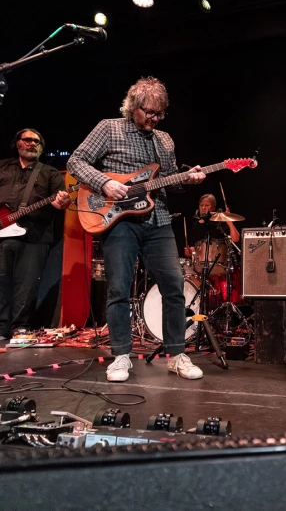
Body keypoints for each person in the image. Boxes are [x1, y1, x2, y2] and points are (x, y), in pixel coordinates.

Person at [68, 77, 206, 382]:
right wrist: (105, 183)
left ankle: (176, 354)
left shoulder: (164, 140)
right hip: (119, 221)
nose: (154, 119)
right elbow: (76, 161)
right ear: (133, 106)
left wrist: (188, 179)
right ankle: (120, 356)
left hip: (159, 220)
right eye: (149, 112)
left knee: (174, 287)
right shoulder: (109, 128)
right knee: (118, 288)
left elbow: (171, 183)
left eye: (160, 113)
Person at [0, 128, 71, 342]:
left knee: (27, 283)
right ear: (17, 143)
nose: (32, 144)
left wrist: (63, 202)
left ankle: (21, 327)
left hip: (34, 236)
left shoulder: (49, 173)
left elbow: (59, 203)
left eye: (37, 141)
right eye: (28, 140)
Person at [184, 193, 240, 257]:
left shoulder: (220, 222)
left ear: (213, 207)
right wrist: (189, 252)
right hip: (200, 261)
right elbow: (193, 247)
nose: (203, 208)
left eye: (207, 205)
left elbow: (235, 239)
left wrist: (230, 222)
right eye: (201, 205)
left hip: (219, 259)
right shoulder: (196, 225)